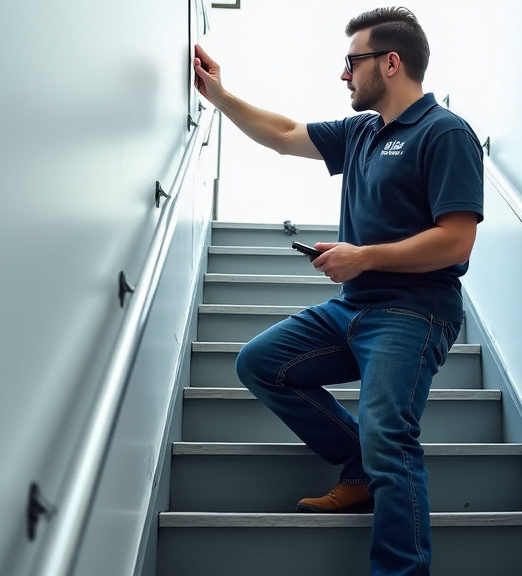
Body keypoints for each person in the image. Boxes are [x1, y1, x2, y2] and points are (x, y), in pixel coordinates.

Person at [193, 6, 484, 576]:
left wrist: (363, 256)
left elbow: (457, 243)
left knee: (389, 436)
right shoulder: (362, 131)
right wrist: (218, 95)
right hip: (352, 310)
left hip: (414, 313)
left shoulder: (444, 133)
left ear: (391, 63)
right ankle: (357, 465)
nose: (344, 75)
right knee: (261, 362)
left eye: (352, 62)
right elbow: (281, 135)